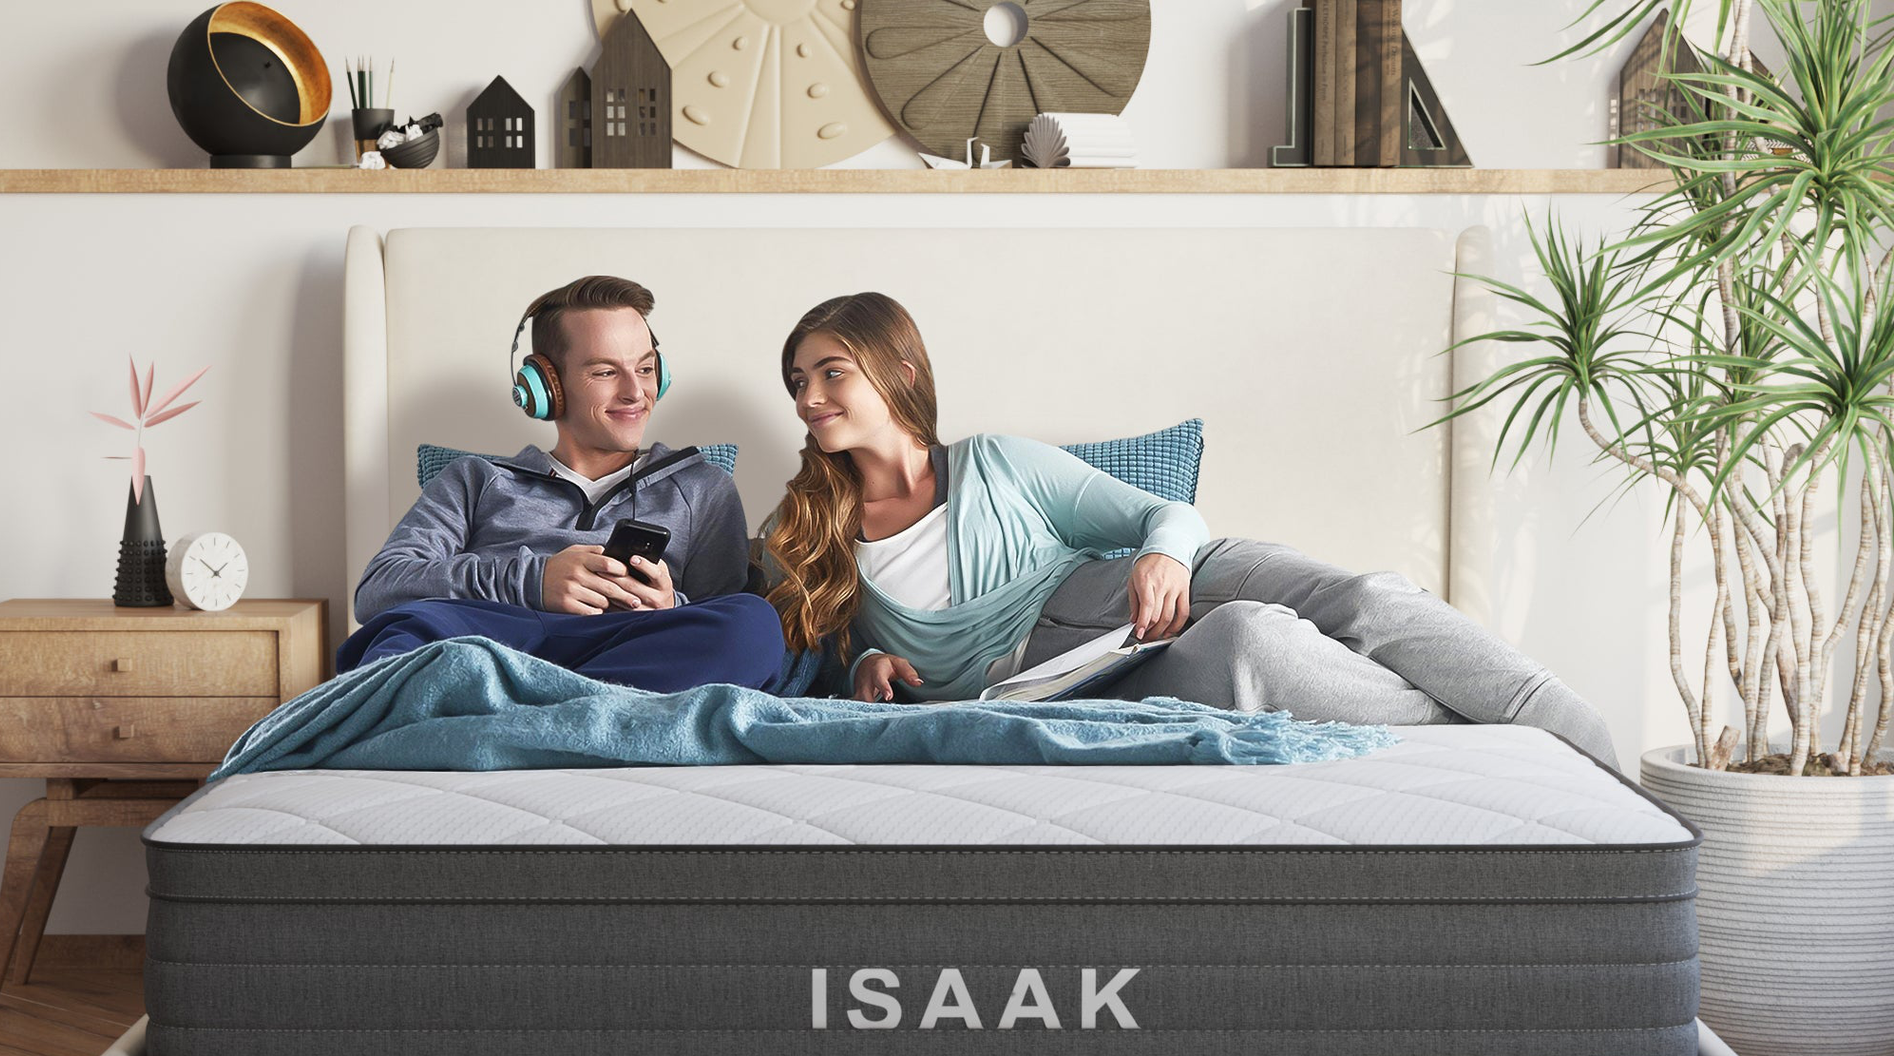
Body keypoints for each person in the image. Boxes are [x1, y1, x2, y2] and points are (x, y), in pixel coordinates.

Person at [763, 292, 1616, 764]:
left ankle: (1572, 733)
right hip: (1070, 683)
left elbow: (1157, 513)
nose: (809, 398)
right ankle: (1484, 743)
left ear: (900, 371)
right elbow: (805, 660)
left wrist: (1165, 557)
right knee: (1252, 649)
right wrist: (862, 660)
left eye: (832, 372)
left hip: (1131, 581)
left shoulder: (997, 464)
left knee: (1361, 599)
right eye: (799, 380)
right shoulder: (802, 527)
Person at [340, 274, 789, 694]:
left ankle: (506, 712)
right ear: (546, 386)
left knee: (753, 623)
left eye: (646, 368)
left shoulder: (701, 487)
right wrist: (534, 581)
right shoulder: (474, 479)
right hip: (493, 644)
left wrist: (670, 604)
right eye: (605, 372)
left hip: (628, 649)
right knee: (405, 633)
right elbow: (380, 590)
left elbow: (717, 611)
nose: (636, 392)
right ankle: (576, 714)